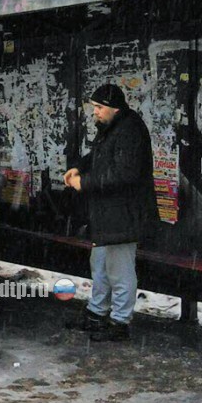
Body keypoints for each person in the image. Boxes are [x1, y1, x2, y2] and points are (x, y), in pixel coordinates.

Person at [64, 84, 159, 342]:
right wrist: (78, 168)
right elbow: (97, 157)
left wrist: (86, 183)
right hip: (108, 215)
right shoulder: (113, 127)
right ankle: (96, 313)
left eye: (99, 108)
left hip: (124, 214)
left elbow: (124, 174)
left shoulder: (130, 131)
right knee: (100, 264)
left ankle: (119, 322)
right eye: (94, 107)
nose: (95, 112)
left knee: (119, 270)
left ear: (114, 108)